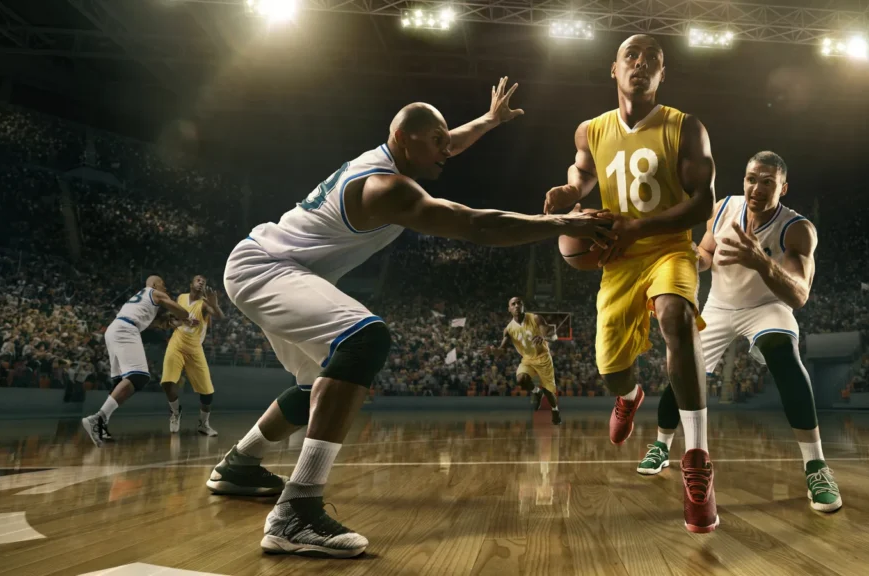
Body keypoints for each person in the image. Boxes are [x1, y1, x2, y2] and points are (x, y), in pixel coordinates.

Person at [208, 79, 615, 558]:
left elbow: (450, 142)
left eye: (449, 139)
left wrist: (488, 120)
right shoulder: (386, 188)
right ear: (405, 140)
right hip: (267, 269)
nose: (449, 148)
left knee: (316, 382)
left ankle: (240, 464)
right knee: (365, 339)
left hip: (274, 265)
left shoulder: (392, 156)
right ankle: (296, 511)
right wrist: (562, 223)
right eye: (438, 141)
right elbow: (474, 224)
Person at [543, 35, 718, 533]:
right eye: (631, 58)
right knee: (611, 368)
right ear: (613, 70)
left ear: (662, 76)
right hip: (616, 261)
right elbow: (582, 179)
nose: (640, 65)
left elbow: (703, 204)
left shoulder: (686, 128)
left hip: (667, 249)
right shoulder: (590, 131)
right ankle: (629, 396)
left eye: (652, 62)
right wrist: (567, 192)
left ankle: (697, 458)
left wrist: (639, 226)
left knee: (675, 318)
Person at [639, 152, 842, 513]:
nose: (757, 188)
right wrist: (689, 256)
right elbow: (705, 252)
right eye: (752, 178)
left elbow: (799, 295)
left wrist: (760, 261)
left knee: (783, 352)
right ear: (743, 179)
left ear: (783, 187)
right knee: (684, 369)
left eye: (768, 182)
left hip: (767, 307)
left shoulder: (797, 229)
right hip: (720, 304)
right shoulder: (722, 208)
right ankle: (661, 444)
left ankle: (816, 466)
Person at [81, 276, 197, 446]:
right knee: (139, 376)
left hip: (114, 329)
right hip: (126, 330)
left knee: (119, 383)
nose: (166, 290)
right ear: (156, 284)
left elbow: (157, 324)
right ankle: (98, 418)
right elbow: (182, 312)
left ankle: (101, 424)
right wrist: (186, 317)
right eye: (164, 286)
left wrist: (175, 322)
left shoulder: (139, 300)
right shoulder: (154, 292)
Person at [160, 274, 225, 436]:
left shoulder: (204, 304)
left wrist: (215, 305)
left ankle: (204, 424)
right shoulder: (181, 298)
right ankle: (175, 413)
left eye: (204, 281)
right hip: (176, 343)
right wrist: (180, 322)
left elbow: (220, 317)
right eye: (198, 280)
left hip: (195, 348)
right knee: (167, 383)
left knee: (207, 393)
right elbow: (171, 319)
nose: (201, 282)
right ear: (191, 284)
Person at [489, 296, 562, 424]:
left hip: (543, 357)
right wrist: (494, 351)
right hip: (528, 359)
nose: (517, 305)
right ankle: (536, 392)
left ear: (523, 306)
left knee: (549, 391)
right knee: (520, 379)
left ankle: (555, 410)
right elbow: (502, 350)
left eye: (519, 303)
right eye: (513, 304)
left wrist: (543, 336)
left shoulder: (535, 318)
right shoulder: (509, 329)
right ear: (509, 309)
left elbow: (552, 335)